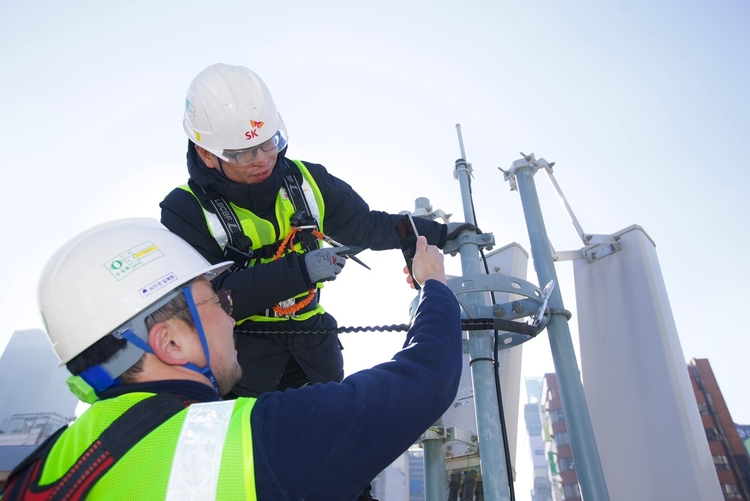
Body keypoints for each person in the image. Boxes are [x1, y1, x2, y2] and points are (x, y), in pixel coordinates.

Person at [1, 218, 461, 501]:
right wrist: (434, 285)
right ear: (169, 342)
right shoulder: (245, 439)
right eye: (215, 301)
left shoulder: (48, 462)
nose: (230, 315)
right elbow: (427, 376)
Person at [160, 63, 474, 400]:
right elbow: (209, 300)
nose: (263, 159)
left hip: (316, 357)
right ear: (207, 154)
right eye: (245, 153)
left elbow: (367, 225)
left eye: (270, 143)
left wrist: (438, 234)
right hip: (241, 367)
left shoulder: (308, 181)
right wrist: (302, 270)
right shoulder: (184, 209)